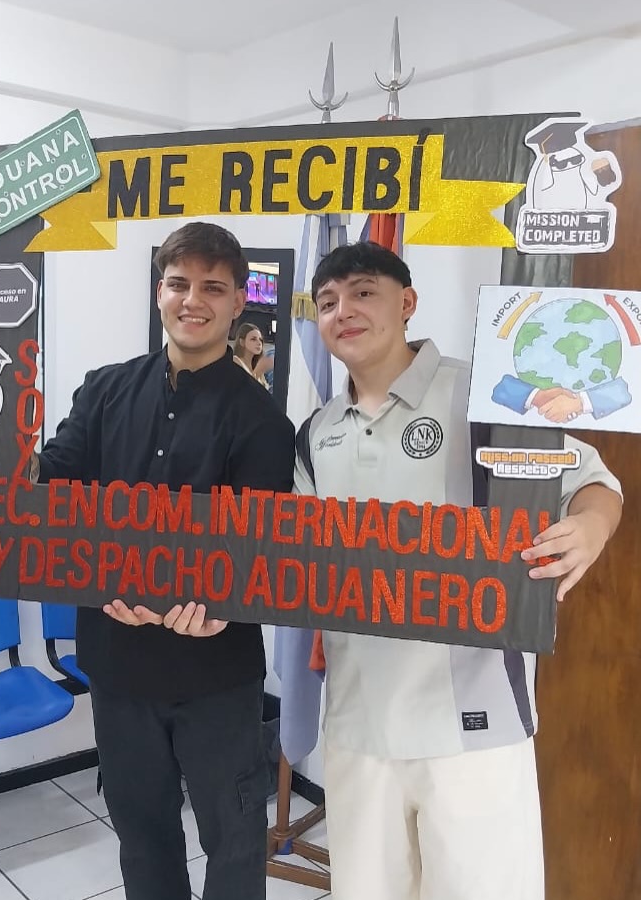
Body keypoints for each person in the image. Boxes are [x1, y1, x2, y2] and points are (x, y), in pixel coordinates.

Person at [294, 241, 622, 900]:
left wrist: (590, 527)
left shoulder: (486, 394)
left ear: (407, 303)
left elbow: (591, 481)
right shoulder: (313, 433)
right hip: (359, 722)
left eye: (363, 292)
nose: (343, 311)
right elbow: (300, 558)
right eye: (327, 302)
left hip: (475, 721)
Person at [33, 222, 296, 900]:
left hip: (215, 673)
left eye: (213, 287)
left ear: (239, 302)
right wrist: (6, 453)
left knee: (233, 839)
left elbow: (257, 547)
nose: (192, 300)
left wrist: (221, 605)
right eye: (179, 283)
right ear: (159, 293)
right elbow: (53, 486)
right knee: (142, 834)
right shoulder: (104, 390)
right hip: (117, 664)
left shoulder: (264, 420)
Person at [233, 322, 269, 388]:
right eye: (253, 339)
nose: (259, 343)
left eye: (260, 339)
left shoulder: (256, 367)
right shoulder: (235, 361)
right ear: (242, 342)